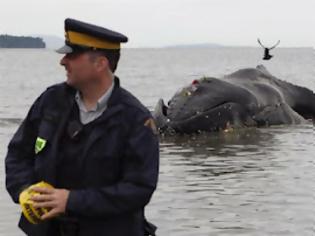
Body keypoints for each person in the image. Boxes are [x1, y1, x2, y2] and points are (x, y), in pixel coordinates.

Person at [5, 18, 159, 236]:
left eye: (72, 54)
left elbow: (138, 189)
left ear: (100, 63)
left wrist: (72, 201)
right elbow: (17, 155)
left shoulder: (135, 120)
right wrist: (24, 191)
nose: (63, 61)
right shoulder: (51, 101)